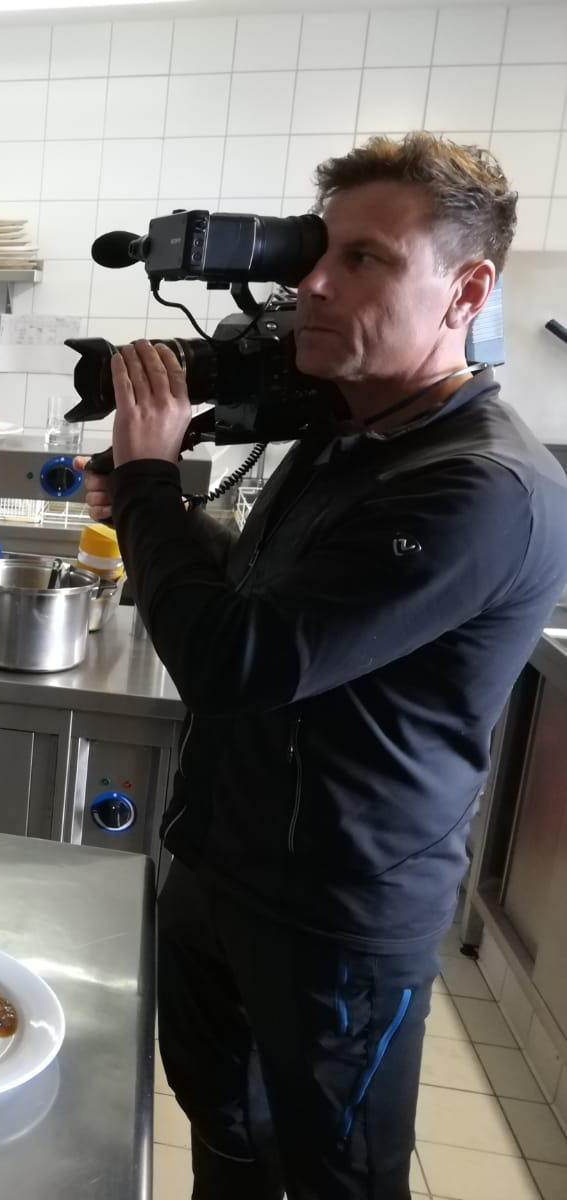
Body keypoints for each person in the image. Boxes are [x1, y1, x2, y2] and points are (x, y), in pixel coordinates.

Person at [80, 133, 567, 1199]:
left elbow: (240, 659)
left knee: (338, 1179)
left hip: (339, 922)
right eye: (319, 252)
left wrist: (154, 482)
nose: (311, 283)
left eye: (364, 259)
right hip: (224, 868)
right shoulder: (349, 435)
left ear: (466, 287)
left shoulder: (481, 487)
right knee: (228, 1142)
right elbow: (267, 599)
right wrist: (162, 522)